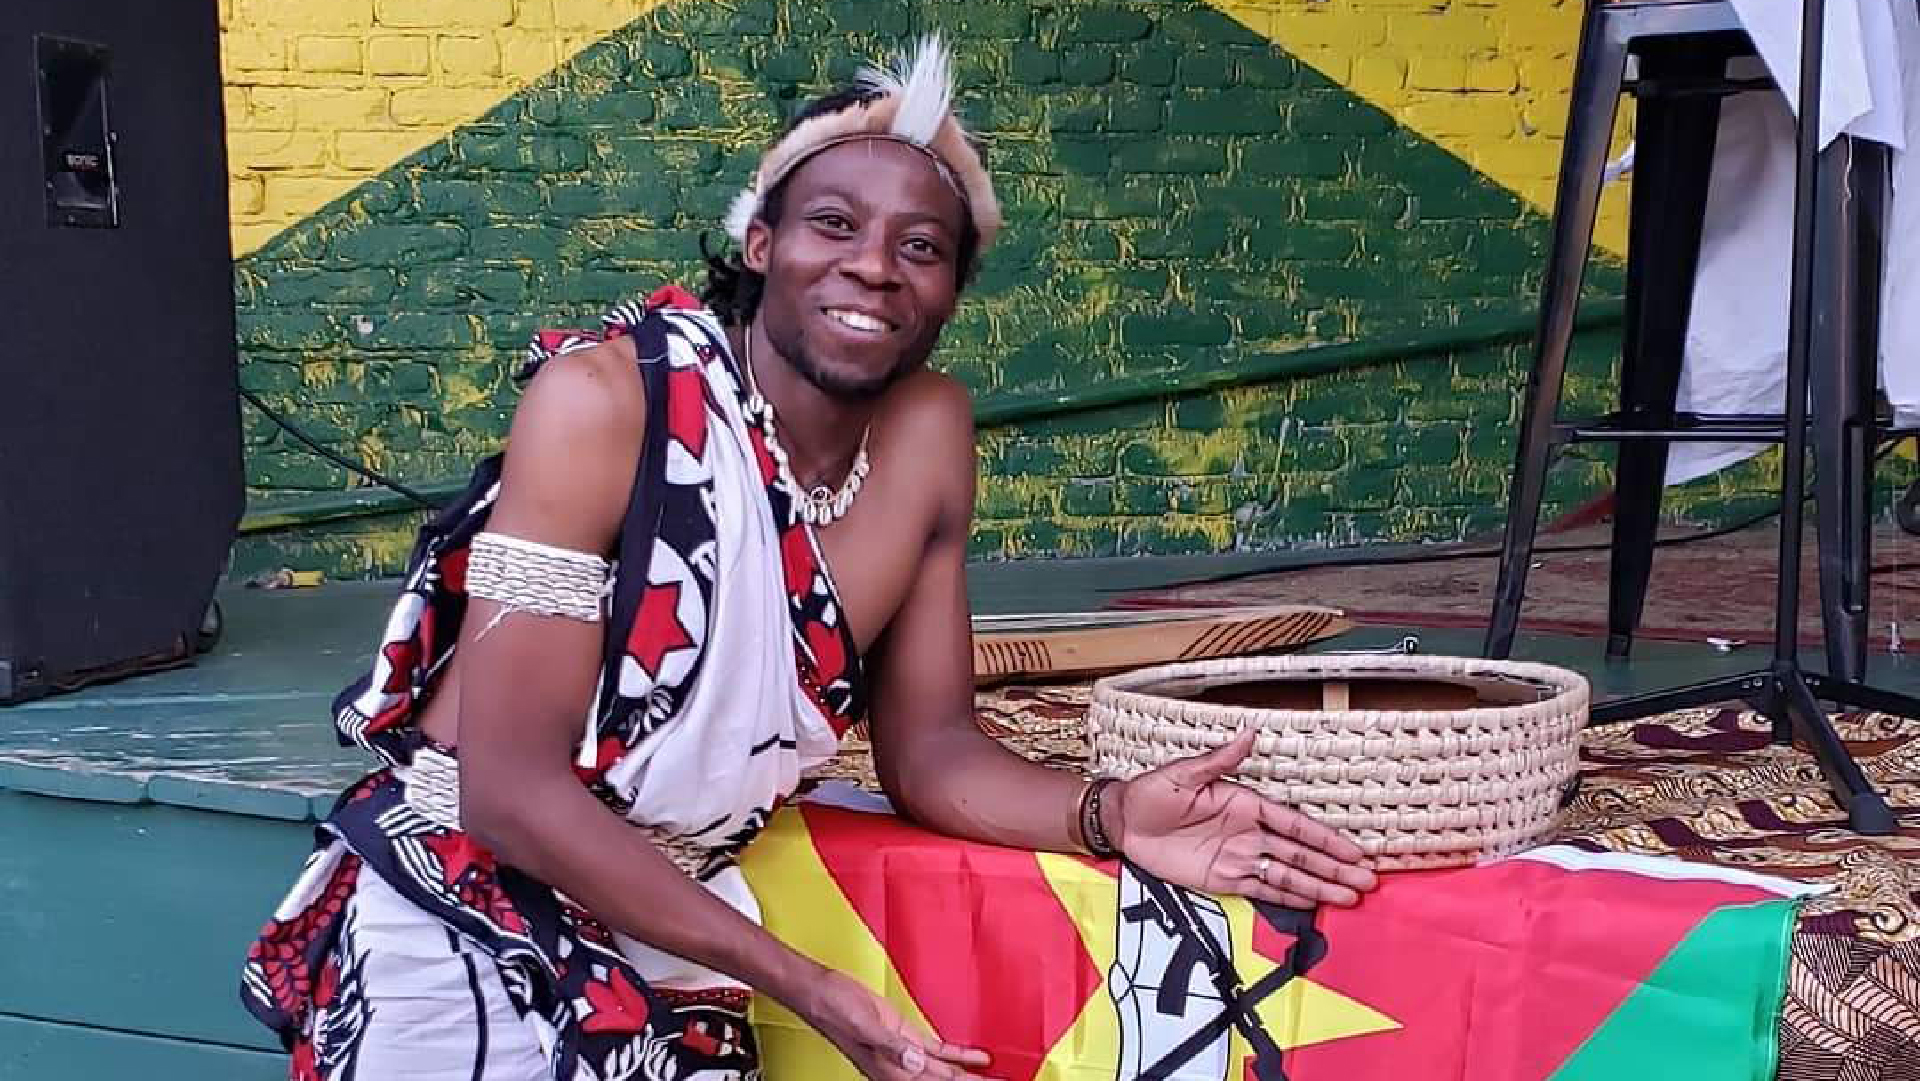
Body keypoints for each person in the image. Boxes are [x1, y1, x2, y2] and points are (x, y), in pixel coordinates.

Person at [241, 36, 1377, 1081]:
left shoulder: (929, 434)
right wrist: (804, 983)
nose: (875, 266)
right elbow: (511, 791)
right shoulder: (605, 405)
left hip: (668, 915)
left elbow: (930, 751)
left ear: (950, 292)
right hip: (463, 909)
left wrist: (1111, 813)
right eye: (834, 224)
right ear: (761, 243)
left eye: (920, 247)